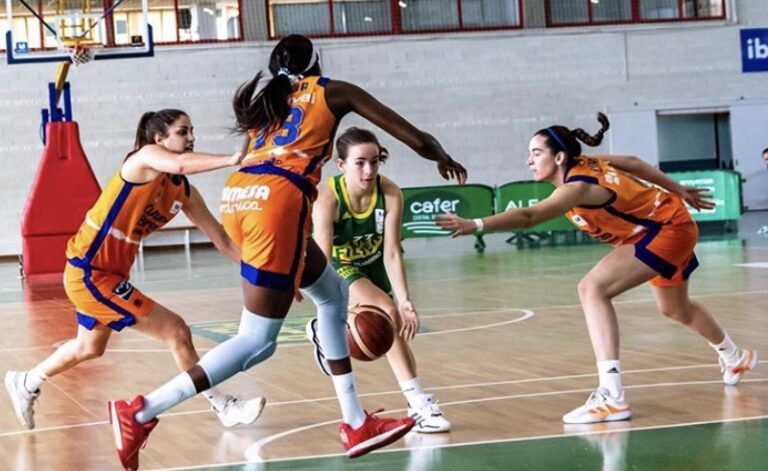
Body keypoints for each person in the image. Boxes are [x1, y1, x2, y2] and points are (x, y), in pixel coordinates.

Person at [108, 34, 467, 469]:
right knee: (256, 341)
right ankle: (140, 412)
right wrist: (441, 155)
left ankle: (355, 421)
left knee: (332, 295)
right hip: (278, 204)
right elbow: (412, 136)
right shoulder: (332, 91)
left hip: (239, 198)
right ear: (315, 63)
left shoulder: (268, 101)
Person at [437, 112, 758, 425]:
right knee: (675, 308)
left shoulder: (577, 187)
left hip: (665, 230)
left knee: (592, 289)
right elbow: (632, 161)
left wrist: (475, 224)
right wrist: (677, 189)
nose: (528, 161)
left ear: (559, 157)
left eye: (536, 153)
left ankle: (612, 396)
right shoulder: (587, 163)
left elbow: (529, 217)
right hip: (668, 224)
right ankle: (734, 356)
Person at [4, 109, 266, 432]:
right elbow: (181, 164)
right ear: (159, 139)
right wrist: (232, 159)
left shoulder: (182, 191)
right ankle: (223, 405)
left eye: (192, 131)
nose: (191, 138)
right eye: (183, 132)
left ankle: (26, 381)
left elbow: (222, 239)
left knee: (89, 346)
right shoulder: (141, 160)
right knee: (176, 331)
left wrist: (264, 277)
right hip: (90, 271)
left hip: (111, 274)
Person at [307, 127, 451, 433]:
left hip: (373, 264)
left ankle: (417, 404)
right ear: (341, 165)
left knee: (393, 323)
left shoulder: (390, 193)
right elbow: (323, 258)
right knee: (385, 310)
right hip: (339, 265)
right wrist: (333, 307)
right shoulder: (327, 198)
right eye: (360, 163)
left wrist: (405, 301)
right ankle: (418, 404)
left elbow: (392, 253)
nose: (369, 170)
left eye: (374, 161)